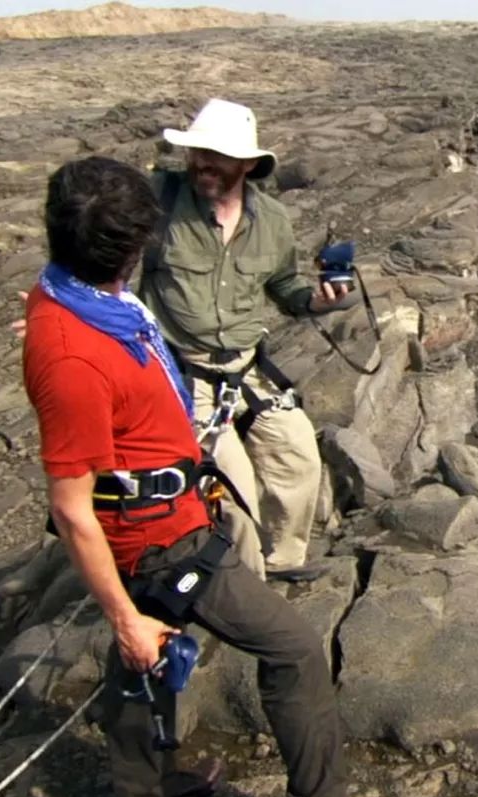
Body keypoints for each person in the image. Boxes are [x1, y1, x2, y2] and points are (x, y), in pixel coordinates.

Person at [23, 156, 348, 797]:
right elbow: (73, 509)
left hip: (168, 515)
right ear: (136, 247)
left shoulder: (83, 301)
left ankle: (143, 791)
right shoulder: (75, 354)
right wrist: (122, 618)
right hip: (158, 543)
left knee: (142, 667)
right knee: (294, 650)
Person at [138, 97, 353, 579]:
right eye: (198, 153)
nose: (203, 164)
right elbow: (95, 240)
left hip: (246, 367)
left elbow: (283, 286)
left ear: (249, 164)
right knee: (232, 487)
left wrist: (317, 301)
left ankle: (282, 562)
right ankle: (242, 584)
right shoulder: (159, 201)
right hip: (182, 370)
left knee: (298, 458)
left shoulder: (272, 220)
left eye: (217, 156)